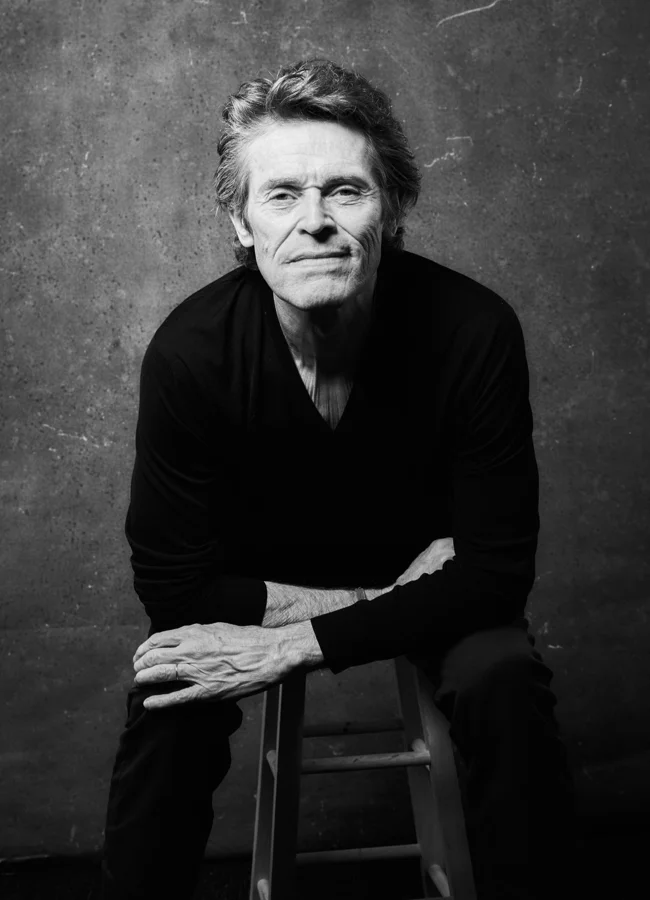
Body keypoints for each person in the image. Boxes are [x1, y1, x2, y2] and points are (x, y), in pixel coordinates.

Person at [102, 58, 576, 900]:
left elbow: (496, 575)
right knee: (172, 683)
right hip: (330, 586)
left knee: (501, 677)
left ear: (390, 211)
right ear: (241, 222)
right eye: (282, 195)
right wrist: (378, 602)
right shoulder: (190, 353)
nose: (315, 221)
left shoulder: (473, 331)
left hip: (437, 599)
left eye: (346, 192)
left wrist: (299, 643)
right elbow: (176, 587)